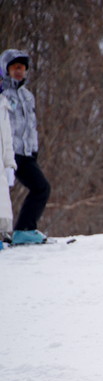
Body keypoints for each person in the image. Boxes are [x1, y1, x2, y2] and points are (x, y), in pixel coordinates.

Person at [0, 49, 51, 245]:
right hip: (11, 153)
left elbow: (30, 125)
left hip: (27, 153)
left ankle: (23, 230)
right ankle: (23, 229)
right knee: (40, 188)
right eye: (14, 68)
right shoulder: (4, 94)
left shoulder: (27, 95)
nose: (19, 72)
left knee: (40, 188)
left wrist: (33, 148)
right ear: (6, 70)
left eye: (21, 68)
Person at [0, 66, 16, 248]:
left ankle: (3, 233)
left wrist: (9, 163)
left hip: (1, 161)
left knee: (3, 200)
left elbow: (7, 136)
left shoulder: (3, 103)